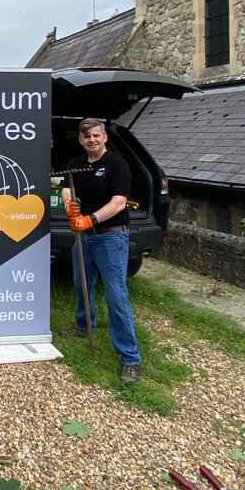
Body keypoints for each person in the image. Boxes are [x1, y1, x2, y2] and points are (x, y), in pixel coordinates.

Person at [59, 117, 142, 384]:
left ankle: (130, 357)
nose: (91, 140)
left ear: (104, 137)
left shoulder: (117, 165)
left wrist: (90, 219)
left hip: (110, 237)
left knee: (116, 295)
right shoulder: (76, 164)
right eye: (86, 137)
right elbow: (66, 190)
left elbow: (119, 203)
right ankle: (84, 326)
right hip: (84, 238)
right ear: (81, 140)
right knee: (82, 284)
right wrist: (70, 205)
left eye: (96, 135)